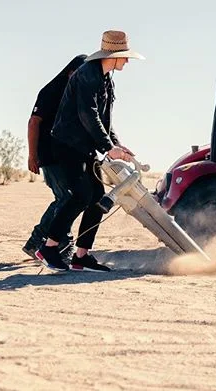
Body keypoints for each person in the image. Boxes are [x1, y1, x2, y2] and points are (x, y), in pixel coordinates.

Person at [35, 30, 143, 272]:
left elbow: (105, 119)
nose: (126, 61)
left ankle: (81, 255)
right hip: (67, 144)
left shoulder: (106, 78)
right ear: (113, 55)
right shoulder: (87, 74)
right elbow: (88, 114)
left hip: (85, 146)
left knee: (96, 198)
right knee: (81, 195)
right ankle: (48, 247)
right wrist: (107, 147)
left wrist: (116, 144)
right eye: (124, 57)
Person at [22, 54, 87, 259]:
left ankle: (44, 242)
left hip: (67, 155)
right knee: (66, 197)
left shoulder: (75, 95)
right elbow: (34, 122)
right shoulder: (51, 91)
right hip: (49, 154)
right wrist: (33, 155)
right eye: (80, 74)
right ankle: (44, 242)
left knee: (68, 197)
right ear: (70, 72)